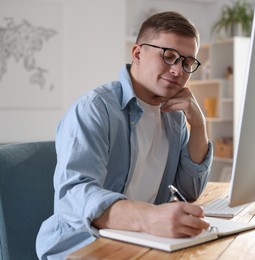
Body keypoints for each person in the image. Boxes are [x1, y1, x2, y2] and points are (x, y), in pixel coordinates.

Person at [36, 11, 213, 259]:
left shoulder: (174, 116)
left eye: (187, 63)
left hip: (144, 241)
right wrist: (150, 218)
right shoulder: (94, 108)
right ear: (138, 53)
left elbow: (189, 190)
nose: (177, 71)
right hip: (84, 245)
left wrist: (199, 125)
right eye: (169, 56)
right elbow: (74, 195)